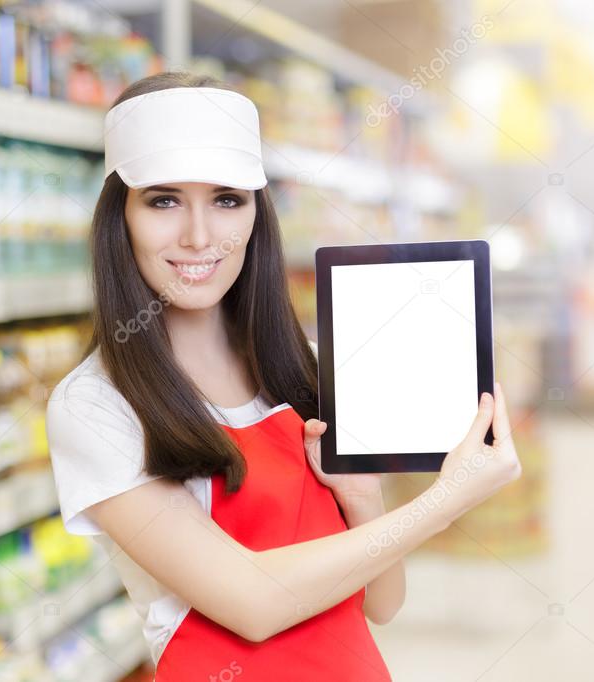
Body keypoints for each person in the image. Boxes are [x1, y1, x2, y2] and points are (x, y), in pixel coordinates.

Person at [45, 71, 521, 681]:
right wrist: (448, 500)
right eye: (164, 200)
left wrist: (362, 497)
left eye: (227, 199)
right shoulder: (95, 406)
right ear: (121, 218)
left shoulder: (310, 367)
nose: (198, 236)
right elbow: (254, 601)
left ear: (256, 213)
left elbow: (383, 603)